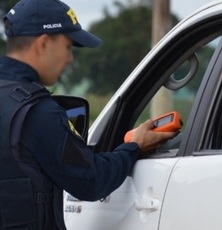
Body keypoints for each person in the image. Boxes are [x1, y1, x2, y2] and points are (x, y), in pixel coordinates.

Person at [0, 0, 177, 229]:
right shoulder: (38, 113)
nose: (70, 58)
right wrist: (134, 147)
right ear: (43, 44)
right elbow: (91, 181)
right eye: (67, 47)